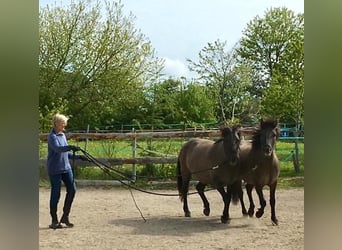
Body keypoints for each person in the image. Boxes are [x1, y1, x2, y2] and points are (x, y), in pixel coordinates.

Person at [47, 113, 88, 229]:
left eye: (64, 123)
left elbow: (65, 153)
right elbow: (57, 149)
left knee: (72, 190)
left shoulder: (62, 135)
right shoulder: (52, 136)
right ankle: (54, 220)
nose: (64, 125)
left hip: (66, 168)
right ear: (56, 124)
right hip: (55, 169)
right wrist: (70, 147)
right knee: (56, 193)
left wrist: (78, 156)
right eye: (62, 123)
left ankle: (65, 216)